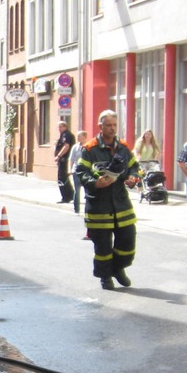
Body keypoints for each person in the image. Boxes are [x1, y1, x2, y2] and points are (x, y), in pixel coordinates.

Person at [77, 109, 140, 290]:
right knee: (103, 248)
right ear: (100, 126)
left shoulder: (123, 147)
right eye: (108, 126)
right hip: (99, 207)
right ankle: (105, 276)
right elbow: (81, 173)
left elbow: (135, 167)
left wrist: (133, 178)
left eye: (114, 125)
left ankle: (118, 268)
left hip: (121, 205)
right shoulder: (90, 149)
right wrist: (95, 183)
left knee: (128, 242)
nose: (112, 129)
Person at [54, 120, 75, 204]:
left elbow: (66, 146)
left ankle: (66, 197)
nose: (59, 128)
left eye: (60, 127)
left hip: (64, 160)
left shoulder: (66, 135)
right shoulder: (63, 135)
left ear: (65, 126)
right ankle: (70, 195)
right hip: (62, 160)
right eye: (58, 127)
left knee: (62, 178)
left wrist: (58, 156)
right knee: (63, 178)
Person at [70, 129, 87, 216]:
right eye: (77, 136)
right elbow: (72, 159)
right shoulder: (75, 147)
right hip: (76, 170)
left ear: (84, 137)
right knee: (77, 190)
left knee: (87, 190)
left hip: (86, 171)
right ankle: (76, 209)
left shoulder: (88, 147)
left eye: (79, 136)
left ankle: (87, 209)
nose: (77, 138)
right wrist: (70, 169)